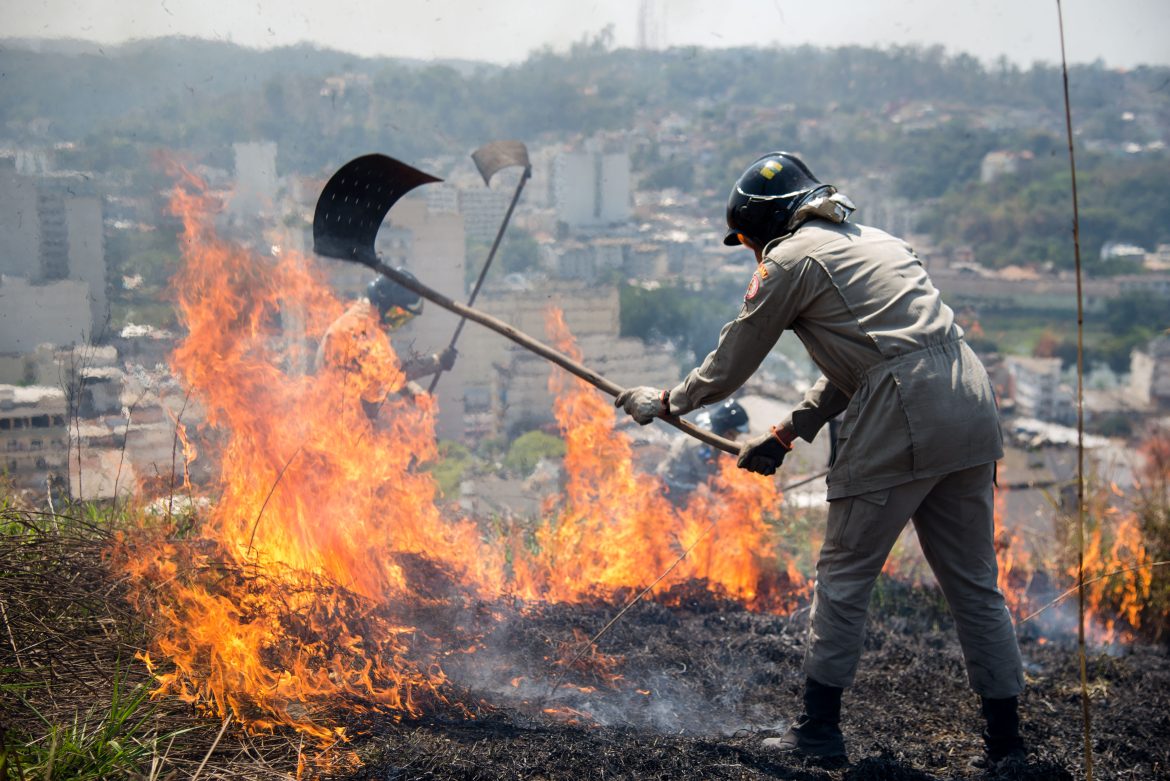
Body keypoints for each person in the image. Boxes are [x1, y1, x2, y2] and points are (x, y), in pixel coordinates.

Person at [615, 152, 1025, 769]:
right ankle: (1008, 747)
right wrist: (786, 435)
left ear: (764, 227)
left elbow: (737, 355)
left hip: (903, 406)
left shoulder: (789, 259)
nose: (753, 254)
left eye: (749, 242)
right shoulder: (877, 241)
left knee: (844, 575)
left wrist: (669, 400)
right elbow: (867, 360)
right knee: (974, 585)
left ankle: (818, 734)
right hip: (968, 398)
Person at [316, 269, 456, 420]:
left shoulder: (367, 322)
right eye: (396, 316)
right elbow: (393, 373)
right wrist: (437, 361)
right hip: (342, 422)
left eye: (402, 319)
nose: (393, 324)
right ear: (385, 302)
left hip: (352, 421)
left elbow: (386, 374)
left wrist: (415, 394)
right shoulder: (357, 328)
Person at [658, 399, 749, 504]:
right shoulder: (702, 445)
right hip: (674, 486)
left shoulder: (710, 433)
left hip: (687, 478)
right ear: (726, 431)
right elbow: (707, 478)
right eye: (733, 435)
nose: (733, 440)